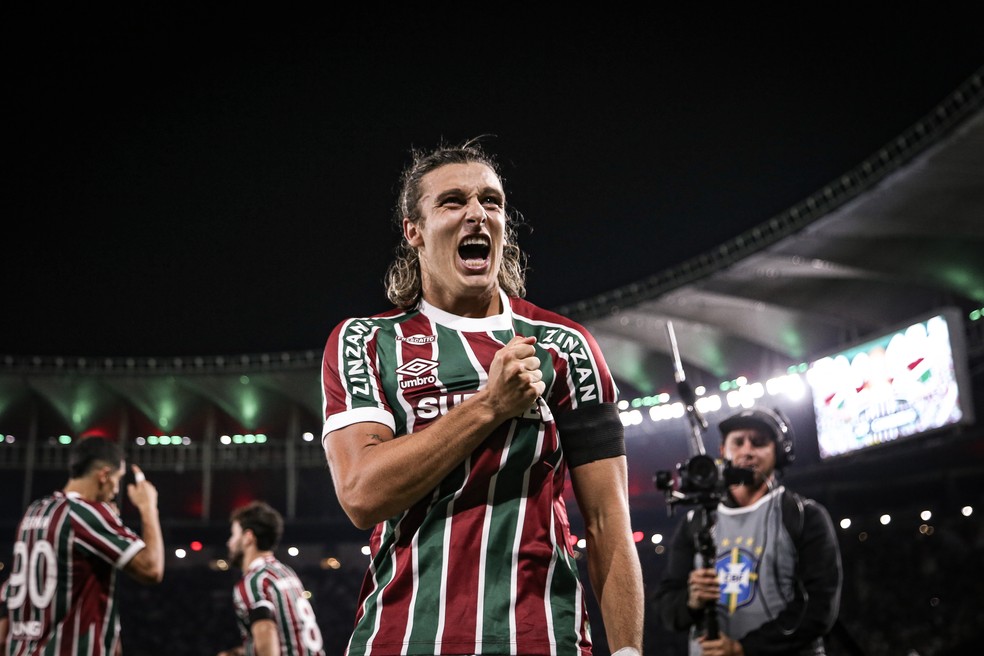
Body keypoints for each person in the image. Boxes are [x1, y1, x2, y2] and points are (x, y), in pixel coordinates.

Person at [320, 138, 645, 656]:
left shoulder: (566, 345)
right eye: (452, 202)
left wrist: (628, 650)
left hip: (542, 638)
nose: (477, 214)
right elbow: (361, 495)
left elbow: (609, 520)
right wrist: (489, 405)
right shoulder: (365, 341)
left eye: (490, 201)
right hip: (403, 638)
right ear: (414, 232)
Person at [654, 407, 843, 655]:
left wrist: (743, 649)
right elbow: (667, 609)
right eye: (738, 442)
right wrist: (691, 600)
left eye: (758, 443)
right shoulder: (695, 520)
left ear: (779, 452)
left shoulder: (805, 515)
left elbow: (820, 609)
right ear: (723, 452)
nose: (747, 451)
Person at [0, 435, 164, 656]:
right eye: (118, 478)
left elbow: (8, 599)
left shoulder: (34, 512)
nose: (117, 490)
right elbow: (152, 568)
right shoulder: (85, 514)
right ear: (104, 475)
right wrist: (148, 507)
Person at [217, 500, 326, 656]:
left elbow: (266, 633)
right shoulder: (286, 572)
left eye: (234, 535)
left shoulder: (254, 581)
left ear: (248, 537)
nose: (229, 542)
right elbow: (287, 639)